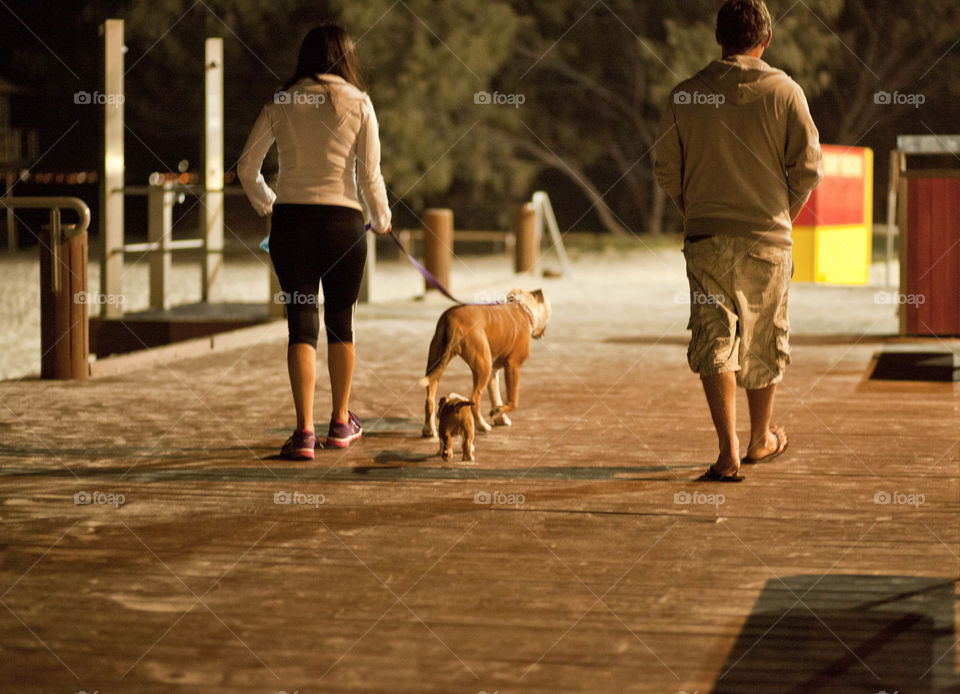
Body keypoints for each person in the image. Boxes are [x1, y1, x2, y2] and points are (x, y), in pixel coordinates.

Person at [654, 0, 823, 481]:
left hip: (706, 236)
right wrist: (782, 214)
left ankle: (727, 450)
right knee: (765, 337)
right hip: (769, 239)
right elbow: (809, 170)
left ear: (717, 38)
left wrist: (695, 210)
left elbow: (666, 168)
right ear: (765, 40)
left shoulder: (686, 95)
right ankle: (759, 440)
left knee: (715, 336)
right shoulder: (786, 92)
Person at [238, 23, 391, 459]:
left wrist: (271, 203)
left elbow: (247, 167)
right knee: (341, 324)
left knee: (300, 326)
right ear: (346, 57)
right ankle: (340, 423)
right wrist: (381, 218)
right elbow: (369, 175)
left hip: (292, 226)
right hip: (344, 224)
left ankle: (304, 432)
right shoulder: (360, 103)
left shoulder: (281, 101)